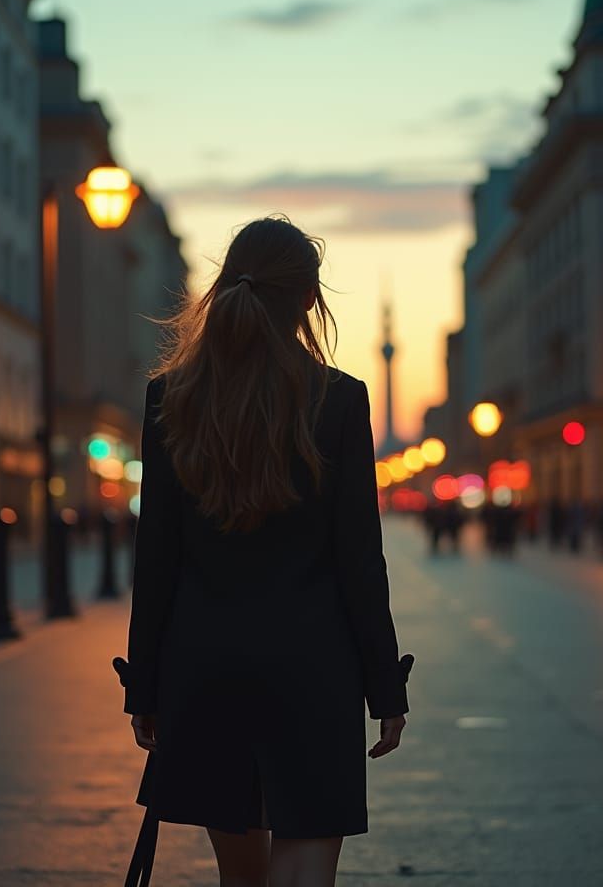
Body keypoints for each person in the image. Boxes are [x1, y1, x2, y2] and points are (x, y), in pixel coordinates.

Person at [114, 217, 411, 887]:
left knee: (239, 875)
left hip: (207, 664)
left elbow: (155, 556)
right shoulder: (338, 400)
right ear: (308, 300)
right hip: (313, 667)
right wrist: (385, 686)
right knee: (305, 853)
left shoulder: (172, 397)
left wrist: (148, 686)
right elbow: (360, 562)